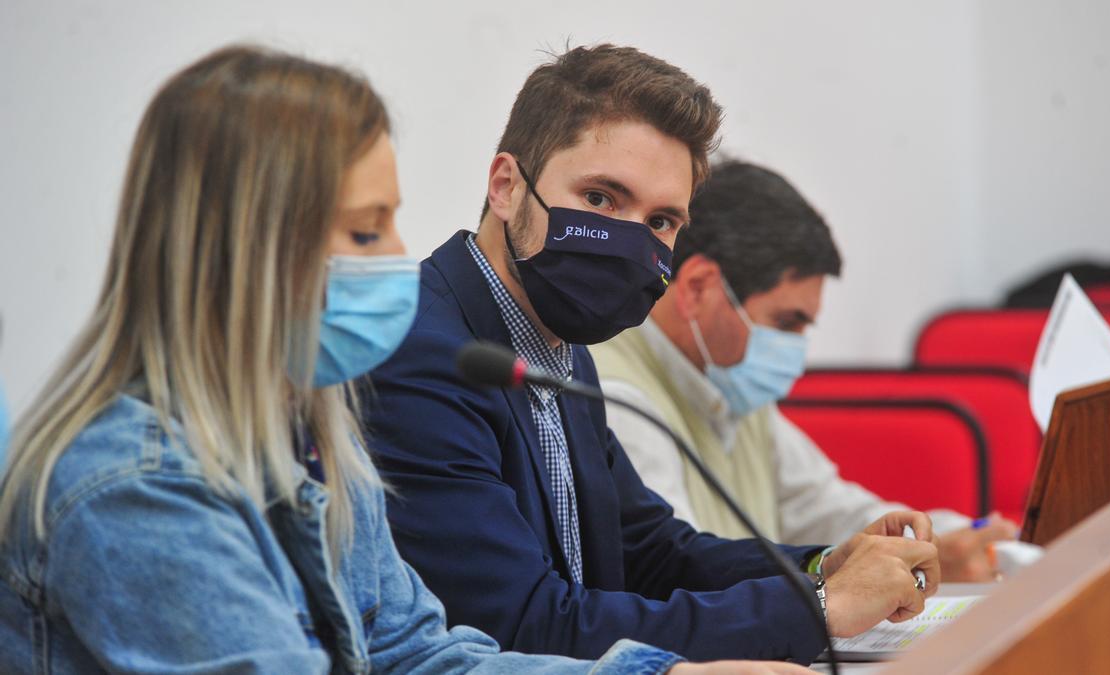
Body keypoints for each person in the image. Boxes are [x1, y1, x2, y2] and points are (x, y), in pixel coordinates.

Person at [0, 45, 804, 675]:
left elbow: (421, 654)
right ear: (238, 249)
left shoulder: (315, 441)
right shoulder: (137, 485)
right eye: (362, 231)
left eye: (390, 223)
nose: (397, 257)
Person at [363, 44, 941, 664]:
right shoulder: (421, 353)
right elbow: (521, 625)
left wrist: (825, 565)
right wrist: (820, 610)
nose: (631, 243)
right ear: (505, 186)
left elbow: (650, 551)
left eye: (662, 220)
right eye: (602, 199)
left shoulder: (557, 345)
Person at [590, 160, 1020, 583]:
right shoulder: (617, 397)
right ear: (699, 287)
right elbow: (677, 576)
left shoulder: (726, 381)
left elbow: (830, 510)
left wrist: (947, 541)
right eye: (785, 323)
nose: (795, 347)